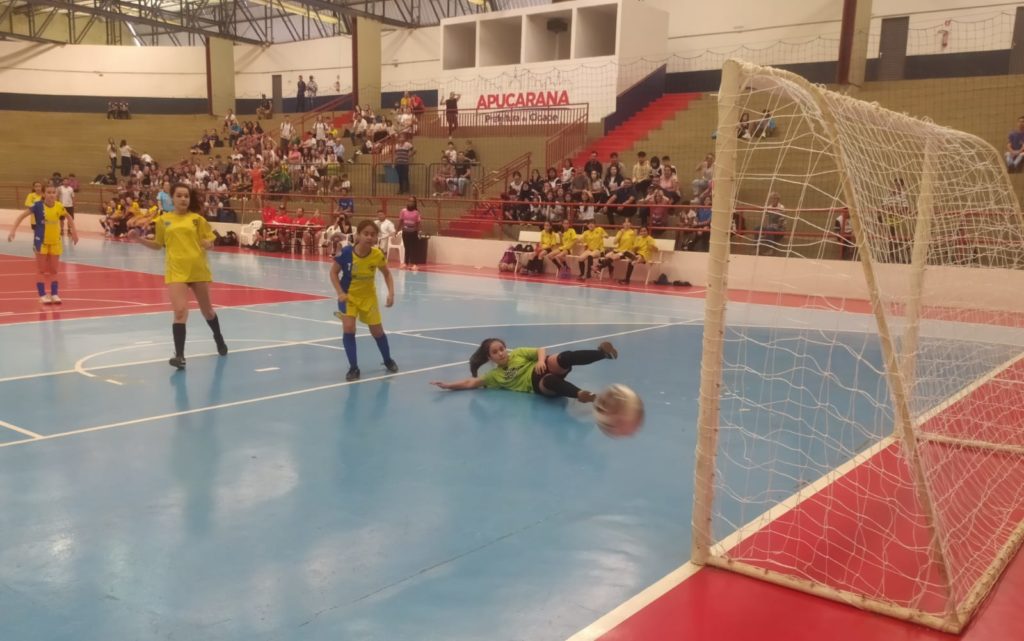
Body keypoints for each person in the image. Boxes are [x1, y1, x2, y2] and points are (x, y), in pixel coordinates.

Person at [130, 182, 228, 369]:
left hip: (198, 269)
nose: (183, 199)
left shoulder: (197, 219)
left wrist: (208, 243)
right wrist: (138, 239)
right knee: (180, 311)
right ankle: (180, 356)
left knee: (207, 311)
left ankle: (218, 337)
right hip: (176, 271)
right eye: (179, 195)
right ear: (172, 198)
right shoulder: (163, 220)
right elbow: (158, 244)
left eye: (186, 196)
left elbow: (211, 241)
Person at [430, 338, 619, 403]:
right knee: (549, 381)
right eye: (495, 352)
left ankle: (602, 354)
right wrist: (448, 385)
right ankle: (582, 395)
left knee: (561, 358)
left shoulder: (518, 353)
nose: (501, 353)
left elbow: (541, 350)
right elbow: (471, 382)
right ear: (490, 358)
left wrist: (539, 361)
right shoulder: (494, 376)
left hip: (540, 367)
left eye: (502, 349)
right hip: (536, 385)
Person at [330, 220, 398, 382]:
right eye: (365, 234)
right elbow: (333, 273)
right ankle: (353, 368)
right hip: (348, 297)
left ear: (376, 238)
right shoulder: (346, 253)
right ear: (358, 235)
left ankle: (387, 359)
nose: (369, 237)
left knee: (377, 332)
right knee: (349, 328)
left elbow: (387, 274)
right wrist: (340, 292)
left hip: (369, 298)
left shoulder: (377, 255)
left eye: (373, 235)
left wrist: (391, 293)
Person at [7, 184, 79, 304]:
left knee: (54, 270)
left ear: (56, 194)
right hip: (41, 242)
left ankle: (55, 294)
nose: (51, 195)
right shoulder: (37, 206)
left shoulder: (59, 206)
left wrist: (74, 232)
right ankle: (42, 295)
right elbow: (21, 216)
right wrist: (13, 231)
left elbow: (69, 218)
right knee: (41, 270)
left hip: (55, 242)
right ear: (44, 194)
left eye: (53, 192)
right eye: (49, 192)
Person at [398, 197, 421, 270]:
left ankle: (415, 264)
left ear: (414, 203)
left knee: (414, 248)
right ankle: (406, 263)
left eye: (412, 201)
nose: (410, 203)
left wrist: (419, 231)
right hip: (405, 232)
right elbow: (401, 221)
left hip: (413, 232)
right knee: (406, 248)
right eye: (409, 201)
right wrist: (397, 230)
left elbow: (418, 223)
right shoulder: (403, 211)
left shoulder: (416, 212)